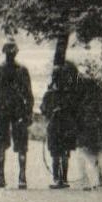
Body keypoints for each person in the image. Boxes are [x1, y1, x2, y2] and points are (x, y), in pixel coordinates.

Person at [0, 40, 33, 189]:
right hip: (18, 111)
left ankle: (1, 177)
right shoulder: (22, 70)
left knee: (1, 145)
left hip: (3, 111)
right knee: (21, 145)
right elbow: (29, 94)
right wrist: (29, 113)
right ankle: (22, 178)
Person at [40, 39, 79, 189]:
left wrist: (51, 112)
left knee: (56, 153)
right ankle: (64, 178)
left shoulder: (50, 94)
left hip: (55, 126)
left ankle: (57, 179)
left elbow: (43, 110)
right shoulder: (70, 94)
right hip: (67, 126)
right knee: (65, 153)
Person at [72, 69, 102, 191]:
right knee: (93, 154)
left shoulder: (85, 102)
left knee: (83, 153)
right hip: (93, 127)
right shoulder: (96, 100)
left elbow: (82, 115)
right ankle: (99, 179)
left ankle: (86, 180)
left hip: (86, 127)